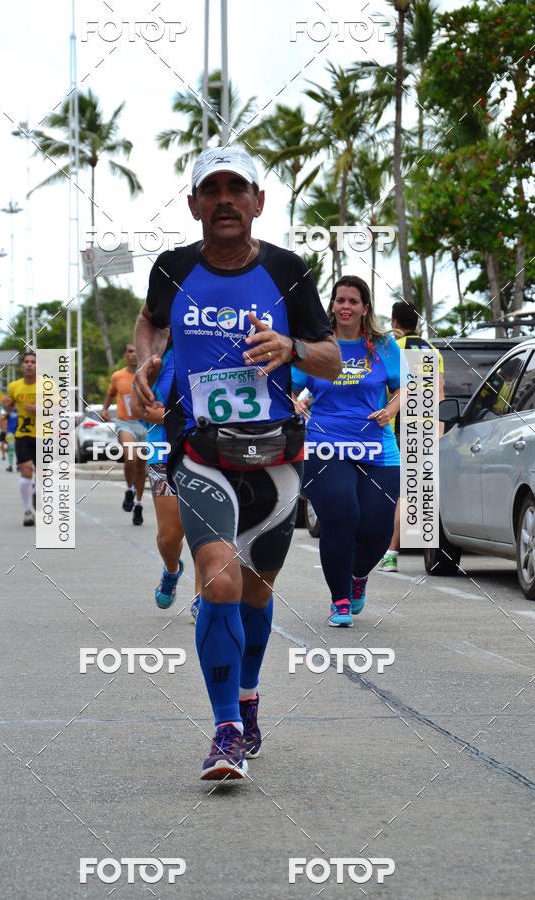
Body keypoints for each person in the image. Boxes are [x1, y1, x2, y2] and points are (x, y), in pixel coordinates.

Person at [132, 146, 341, 781]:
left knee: (256, 590)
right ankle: (225, 728)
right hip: (203, 455)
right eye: (211, 190)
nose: (224, 200)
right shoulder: (171, 270)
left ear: (257, 202)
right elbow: (150, 323)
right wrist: (145, 359)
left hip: (276, 461)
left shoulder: (289, 271)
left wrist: (292, 347)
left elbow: (334, 358)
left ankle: (247, 697)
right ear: (194, 205)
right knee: (219, 581)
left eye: (236, 189)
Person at [292, 275, 403, 627]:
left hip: (377, 445)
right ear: (332, 305)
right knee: (341, 515)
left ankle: (357, 576)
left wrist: (390, 410)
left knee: (377, 530)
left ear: (364, 307)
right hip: (325, 445)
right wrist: (296, 405)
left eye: (353, 301)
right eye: (340, 300)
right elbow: (290, 391)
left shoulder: (384, 346)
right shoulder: (316, 346)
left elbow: (402, 390)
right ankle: (339, 599)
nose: (345, 306)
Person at [380, 300, 444, 573]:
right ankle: (400, 550)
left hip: (394, 427)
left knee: (394, 494)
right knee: (415, 492)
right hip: (425, 429)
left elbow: (386, 391)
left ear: (395, 322)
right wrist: (439, 434)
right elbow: (439, 397)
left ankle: (389, 552)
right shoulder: (432, 352)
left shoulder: (392, 349)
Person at [138, 339, 202, 609]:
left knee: (204, 529)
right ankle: (172, 570)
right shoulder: (159, 360)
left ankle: (202, 597)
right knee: (169, 536)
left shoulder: (215, 350)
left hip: (205, 450)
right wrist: (187, 416)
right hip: (163, 452)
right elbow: (144, 410)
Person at [101, 344, 148, 526]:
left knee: (142, 466)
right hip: (125, 422)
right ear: (125, 355)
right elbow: (110, 394)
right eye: (130, 351)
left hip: (144, 424)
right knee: (130, 459)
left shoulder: (148, 374)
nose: (134, 354)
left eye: (137, 350)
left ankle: (138, 503)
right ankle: (129, 489)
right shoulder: (118, 376)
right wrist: (105, 409)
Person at [2, 351, 37, 526]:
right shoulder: (14, 386)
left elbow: (59, 409)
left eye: (33, 362)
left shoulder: (47, 386)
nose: (30, 365)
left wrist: (38, 410)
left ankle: (36, 492)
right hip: (23, 435)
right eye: (27, 362)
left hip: (44, 435)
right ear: (22, 366)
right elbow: (10, 410)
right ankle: (28, 512)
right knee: (26, 470)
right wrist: (7, 407)